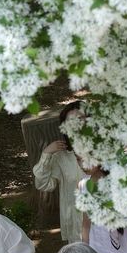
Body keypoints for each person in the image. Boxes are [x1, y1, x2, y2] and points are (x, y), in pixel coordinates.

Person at [32, 100, 83, 243]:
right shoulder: (62, 157)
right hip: (77, 225)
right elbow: (43, 184)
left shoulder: (106, 151)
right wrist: (46, 154)